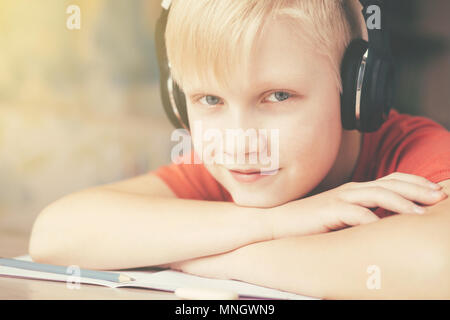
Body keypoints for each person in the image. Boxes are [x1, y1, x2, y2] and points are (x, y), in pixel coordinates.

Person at [29, 0, 450, 299]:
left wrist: (217, 259)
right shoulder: (228, 170)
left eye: (279, 96)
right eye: (210, 100)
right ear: (179, 101)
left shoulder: (412, 151)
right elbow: (57, 233)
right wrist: (279, 222)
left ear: (356, 93)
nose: (241, 142)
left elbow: (440, 265)